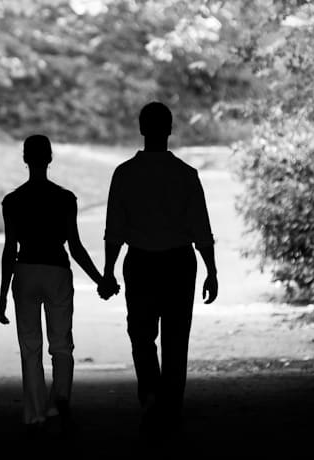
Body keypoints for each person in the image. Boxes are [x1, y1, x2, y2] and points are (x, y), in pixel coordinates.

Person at [98, 101, 217, 434]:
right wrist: (212, 271)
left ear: (141, 129)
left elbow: (114, 231)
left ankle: (150, 394)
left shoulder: (124, 174)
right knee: (176, 339)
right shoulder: (186, 175)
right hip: (180, 264)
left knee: (141, 334)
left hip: (140, 263)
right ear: (169, 130)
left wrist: (108, 271)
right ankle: (171, 407)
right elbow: (201, 229)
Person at [0, 134, 109, 435]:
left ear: (25, 159)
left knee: (30, 346)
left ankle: (34, 414)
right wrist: (101, 280)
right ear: (49, 158)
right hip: (57, 271)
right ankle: (59, 400)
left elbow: (9, 250)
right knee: (61, 344)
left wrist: (3, 296)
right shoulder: (65, 199)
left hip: (26, 271)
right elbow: (75, 246)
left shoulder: (13, 201)